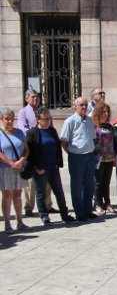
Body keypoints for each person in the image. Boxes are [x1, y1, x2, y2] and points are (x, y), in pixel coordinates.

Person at [26, 108, 75, 225]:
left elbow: (57, 148)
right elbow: (29, 152)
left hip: (53, 167)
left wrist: (58, 162)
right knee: (41, 192)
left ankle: (64, 214)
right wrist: (36, 167)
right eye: (45, 119)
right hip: (40, 168)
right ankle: (44, 215)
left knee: (59, 191)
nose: (48, 121)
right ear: (38, 119)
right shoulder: (32, 133)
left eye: (49, 118)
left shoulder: (52, 131)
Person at [60, 97, 98, 222]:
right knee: (77, 185)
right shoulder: (70, 121)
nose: (84, 107)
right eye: (81, 105)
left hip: (89, 155)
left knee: (89, 184)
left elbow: (92, 137)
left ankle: (88, 210)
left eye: (86, 105)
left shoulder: (89, 121)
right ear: (75, 106)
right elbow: (64, 141)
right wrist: (71, 152)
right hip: (77, 157)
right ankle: (79, 212)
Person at [18, 89, 53, 217]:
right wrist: (38, 133)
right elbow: (24, 130)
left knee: (48, 179)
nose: (35, 99)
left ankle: (47, 204)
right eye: (33, 97)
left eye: (37, 97)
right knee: (31, 182)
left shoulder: (44, 111)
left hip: (45, 150)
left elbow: (50, 127)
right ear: (27, 98)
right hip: (31, 149)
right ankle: (29, 207)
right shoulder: (23, 112)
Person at [0, 107, 30, 232]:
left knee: (18, 194)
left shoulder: (19, 133)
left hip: (19, 167)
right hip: (5, 168)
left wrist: (21, 161)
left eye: (12, 119)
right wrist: (11, 163)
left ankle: (20, 221)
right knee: (7, 195)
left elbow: (26, 149)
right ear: (1, 119)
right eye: (7, 119)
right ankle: (7, 223)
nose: (10, 121)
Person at [92, 102, 116, 215]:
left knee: (106, 182)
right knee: (98, 182)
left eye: (107, 112)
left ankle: (107, 202)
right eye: (104, 112)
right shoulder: (94, 126)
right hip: (98, 158)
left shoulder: (110, 126)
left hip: (109, 157)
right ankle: (97, 203)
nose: (106, 114)